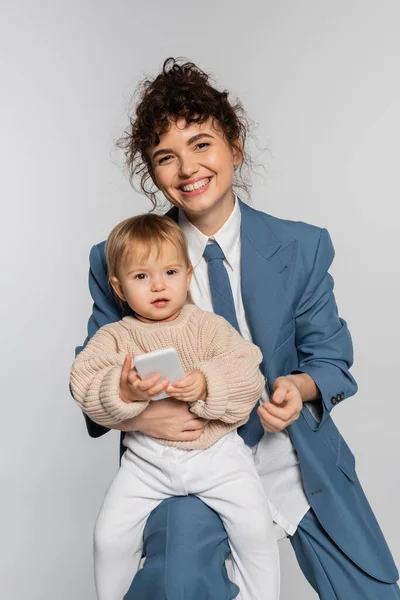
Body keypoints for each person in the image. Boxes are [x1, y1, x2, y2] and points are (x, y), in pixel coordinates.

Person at [75, 58, 399, 599]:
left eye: (202, 144)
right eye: (165, 158)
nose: (187, 169)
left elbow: (329, 360)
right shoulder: (121, 261)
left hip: (292, 456)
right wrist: (147, 411)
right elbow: (93, 379)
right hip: (185, 461)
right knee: (176, 585)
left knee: (374, 591)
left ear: (235, 145)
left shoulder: (302, 246)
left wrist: (297, 389)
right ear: (152, 173)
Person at [71, 214, 280, 600]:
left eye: (170, 271)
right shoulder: (115, 336)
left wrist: (205, 381)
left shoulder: (208, 326)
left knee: (255, 531)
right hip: (147, 462)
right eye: (141, 277)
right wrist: (125, 389)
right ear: (118, 286)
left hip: (217, 457)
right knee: (109, 536)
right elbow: (83, 380)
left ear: (188, 273)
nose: (158, 285)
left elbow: (247, 372)